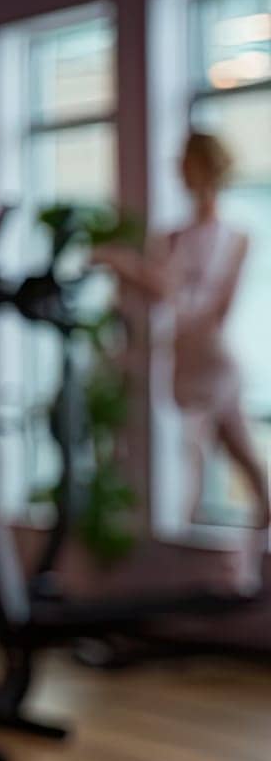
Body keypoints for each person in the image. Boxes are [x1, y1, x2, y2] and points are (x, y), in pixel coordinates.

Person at [94, 131, 270, 589]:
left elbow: (195, 304)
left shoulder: (235, 237)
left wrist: (125, 264)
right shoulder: (172, 236)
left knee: (203, 469)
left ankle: (236, 569)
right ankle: (218, 574)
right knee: (199, 471)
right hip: (184, 361)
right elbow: (163, 300)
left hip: (212, 363)